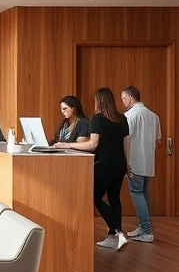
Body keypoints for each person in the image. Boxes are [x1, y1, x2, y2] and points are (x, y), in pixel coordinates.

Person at [55, 88, 131, 251]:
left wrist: (66, 145)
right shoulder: (122, 118)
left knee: (94, 197)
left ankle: (118, 232)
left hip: (103, 164)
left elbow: (92, 144)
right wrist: (127, 164)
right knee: (114, 198)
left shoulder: (97, 119)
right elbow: (126, 144)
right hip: (119, 165)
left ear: (99, 100)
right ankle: (113, 236)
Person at [121, 86, 162, 243]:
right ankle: (143, 226)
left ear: (130, 98)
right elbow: (158, 141)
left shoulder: (129, 116)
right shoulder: (153, 116)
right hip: (148, 162)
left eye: (123, 98)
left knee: (137, 193)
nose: (123, 102)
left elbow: (127, 140)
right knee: (144, 194)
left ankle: (146, 230)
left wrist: (126, 162)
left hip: (134, 162)